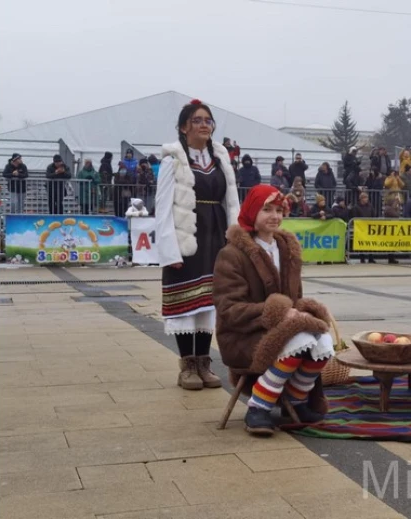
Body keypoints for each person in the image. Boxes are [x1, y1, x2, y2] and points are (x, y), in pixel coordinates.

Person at [213, 184, 335, 436]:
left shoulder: (287, 248)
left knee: (323, 340)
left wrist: (302, 311)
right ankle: (258, 406)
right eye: (267, 209)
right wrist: (279, 312)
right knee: (300, 340)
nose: (275, 216)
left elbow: (296, 297)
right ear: (251, 212)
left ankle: (296, 399)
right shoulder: (232, 254)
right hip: (244, 334)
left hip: (283, 327)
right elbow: (229, 309)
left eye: (279, 210)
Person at [155, 99, 241, 391]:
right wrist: (170, 250)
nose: (204, 125)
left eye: (208, 120)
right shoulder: (173, 160)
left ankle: (204, 362)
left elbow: (232, 201)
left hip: (216, 233)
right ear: (183, 127)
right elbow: (162, 208)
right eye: (197, 120)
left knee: (209, 301)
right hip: (186, 236)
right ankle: (187, 365)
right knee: (185, 301)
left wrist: (236, 238)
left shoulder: (220, 159)